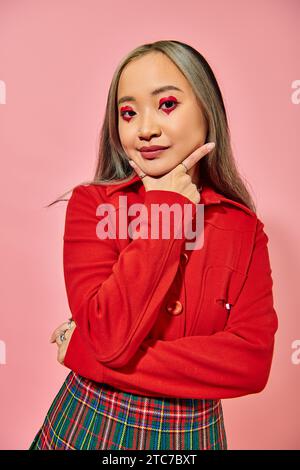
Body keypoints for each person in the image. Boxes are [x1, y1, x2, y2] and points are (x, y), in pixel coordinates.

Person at [29, 40, 278, 450]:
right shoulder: (93, 205)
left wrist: (87, 356)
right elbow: (109, 335)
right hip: (89, 425)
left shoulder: (243, 228)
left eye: (167, 105)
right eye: (128, 113)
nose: (145, 129)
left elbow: (251, 365)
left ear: (207, 111)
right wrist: (171, 206)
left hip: (192, 437)